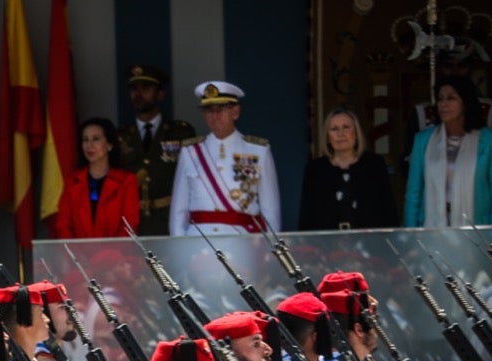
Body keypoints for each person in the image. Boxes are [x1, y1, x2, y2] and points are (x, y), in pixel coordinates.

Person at [170, 81, 280, 235]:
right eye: (208, 110)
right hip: (200, 242)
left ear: (235, 112)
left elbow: (271, 210)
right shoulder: (190, 151)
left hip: (242, 241)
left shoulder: (259, 150)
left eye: (220, 110)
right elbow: (178, 211)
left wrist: (270, 250)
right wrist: (180, 247)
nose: (215, 116)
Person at [404, 75, 492, 227]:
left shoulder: (491, 141)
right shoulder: (423, 140)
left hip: (477, 233)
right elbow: (413, 194)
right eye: (440, 99)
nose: (443, 104)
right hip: (430, 232)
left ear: (466, 102)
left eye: (451, 98)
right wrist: (410, 237)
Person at [116, 64, 195, 236]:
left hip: (167, 220)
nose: (138, 94)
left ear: (160, 94)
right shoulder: (120, 135)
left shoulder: (180, 132)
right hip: (131, 221)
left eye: (146, 88)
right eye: (134, 89)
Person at [298, 107, 398, 230]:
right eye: (334, 129)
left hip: (369, 244)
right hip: (327, 246)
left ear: (356, 134)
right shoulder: (315, 169)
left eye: (346, 127)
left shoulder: (374, 165)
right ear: (328, 137)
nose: (341, 134)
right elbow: (307, 216)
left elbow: (388, 211)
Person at [50, 118, 139, 239]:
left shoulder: (127, 181)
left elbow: (129, 226)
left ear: (109, 144)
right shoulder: (72, 181)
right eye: (85, 140)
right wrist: (77, 255)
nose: (89, 145)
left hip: (117, 255)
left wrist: (107, 255)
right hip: (77, 256)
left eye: (96, 139)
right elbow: (63, 225)